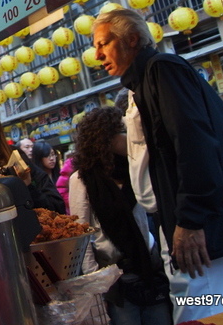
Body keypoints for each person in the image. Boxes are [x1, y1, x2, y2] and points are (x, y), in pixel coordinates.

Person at [93, 8, 223, 322]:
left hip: (207, 234)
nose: (97, 56)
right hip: (190, 228)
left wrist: (191, 220)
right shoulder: (141, 84)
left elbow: (194, 143)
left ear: (132, 39)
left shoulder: (162, 69)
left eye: (102, 44)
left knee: (205, 310)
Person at [69, 107, 171, 325]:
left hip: (149, 267)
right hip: (114, 277)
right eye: (124, 132)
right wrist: (97, 284)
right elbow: (82, 234)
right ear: (107, 138)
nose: (130, 138)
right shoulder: (82, 179)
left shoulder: (137, 170)